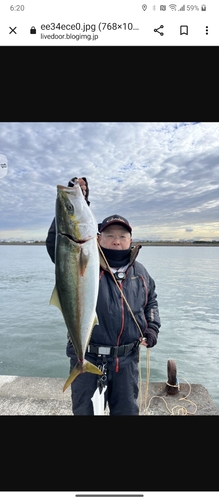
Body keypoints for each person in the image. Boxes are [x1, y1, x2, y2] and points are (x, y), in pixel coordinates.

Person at [46, 177, 161, 415]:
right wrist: (80, 203)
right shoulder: (89, 263)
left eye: (122, 236)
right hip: (89, 358)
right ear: (98, 237)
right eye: (110, 235)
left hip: (127, 362)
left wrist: (152, 328)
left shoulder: (140, 273)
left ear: (131, 240)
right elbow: (57, 244)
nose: (116, 241)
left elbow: (151, 302)